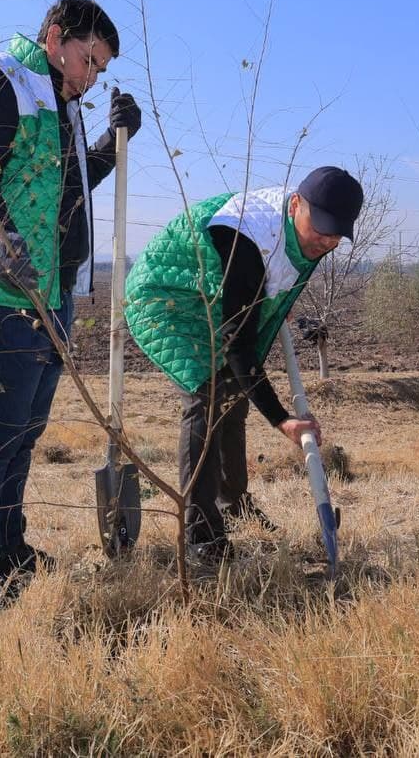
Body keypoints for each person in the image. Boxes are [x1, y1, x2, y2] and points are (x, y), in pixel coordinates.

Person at [0, 0, 142, 596]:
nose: (91, 76)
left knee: (24, 429)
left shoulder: (60, 103)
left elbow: (75, 182)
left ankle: (9, 548)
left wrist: (114, 138)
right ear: (54, 37)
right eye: (88, 59)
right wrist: (0, 239)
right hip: (1, 290)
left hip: (51, 290)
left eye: (101, 69)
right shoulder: (1, 80)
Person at [124, 167, 364, 566]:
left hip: (211, 295)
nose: (326, 240)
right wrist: (282, 419)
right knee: (209, 396)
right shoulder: (248, 236)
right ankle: (202, 535)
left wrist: (274, 305)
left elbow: (261, 292)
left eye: (336, 234)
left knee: (233, 395)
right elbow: (239, 343)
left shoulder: (309, 234)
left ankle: (235, 505)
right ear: (294, 205)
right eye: (320, 228)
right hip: (166, 297)